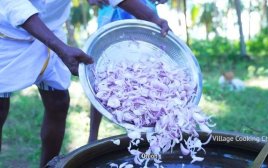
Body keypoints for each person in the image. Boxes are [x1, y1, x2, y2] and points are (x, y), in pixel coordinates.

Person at [0, 0, 169, 167]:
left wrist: (154, 18)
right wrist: (60, 48)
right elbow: (15, 5)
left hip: (52, 30)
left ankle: (48, 166)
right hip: (8, 36)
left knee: (59, 102)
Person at [87, 0, 168, 143]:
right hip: (113, 16)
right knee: (103, 78)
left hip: (143, 14)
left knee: (144, 75)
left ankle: (147, 132)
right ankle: (93, 136)